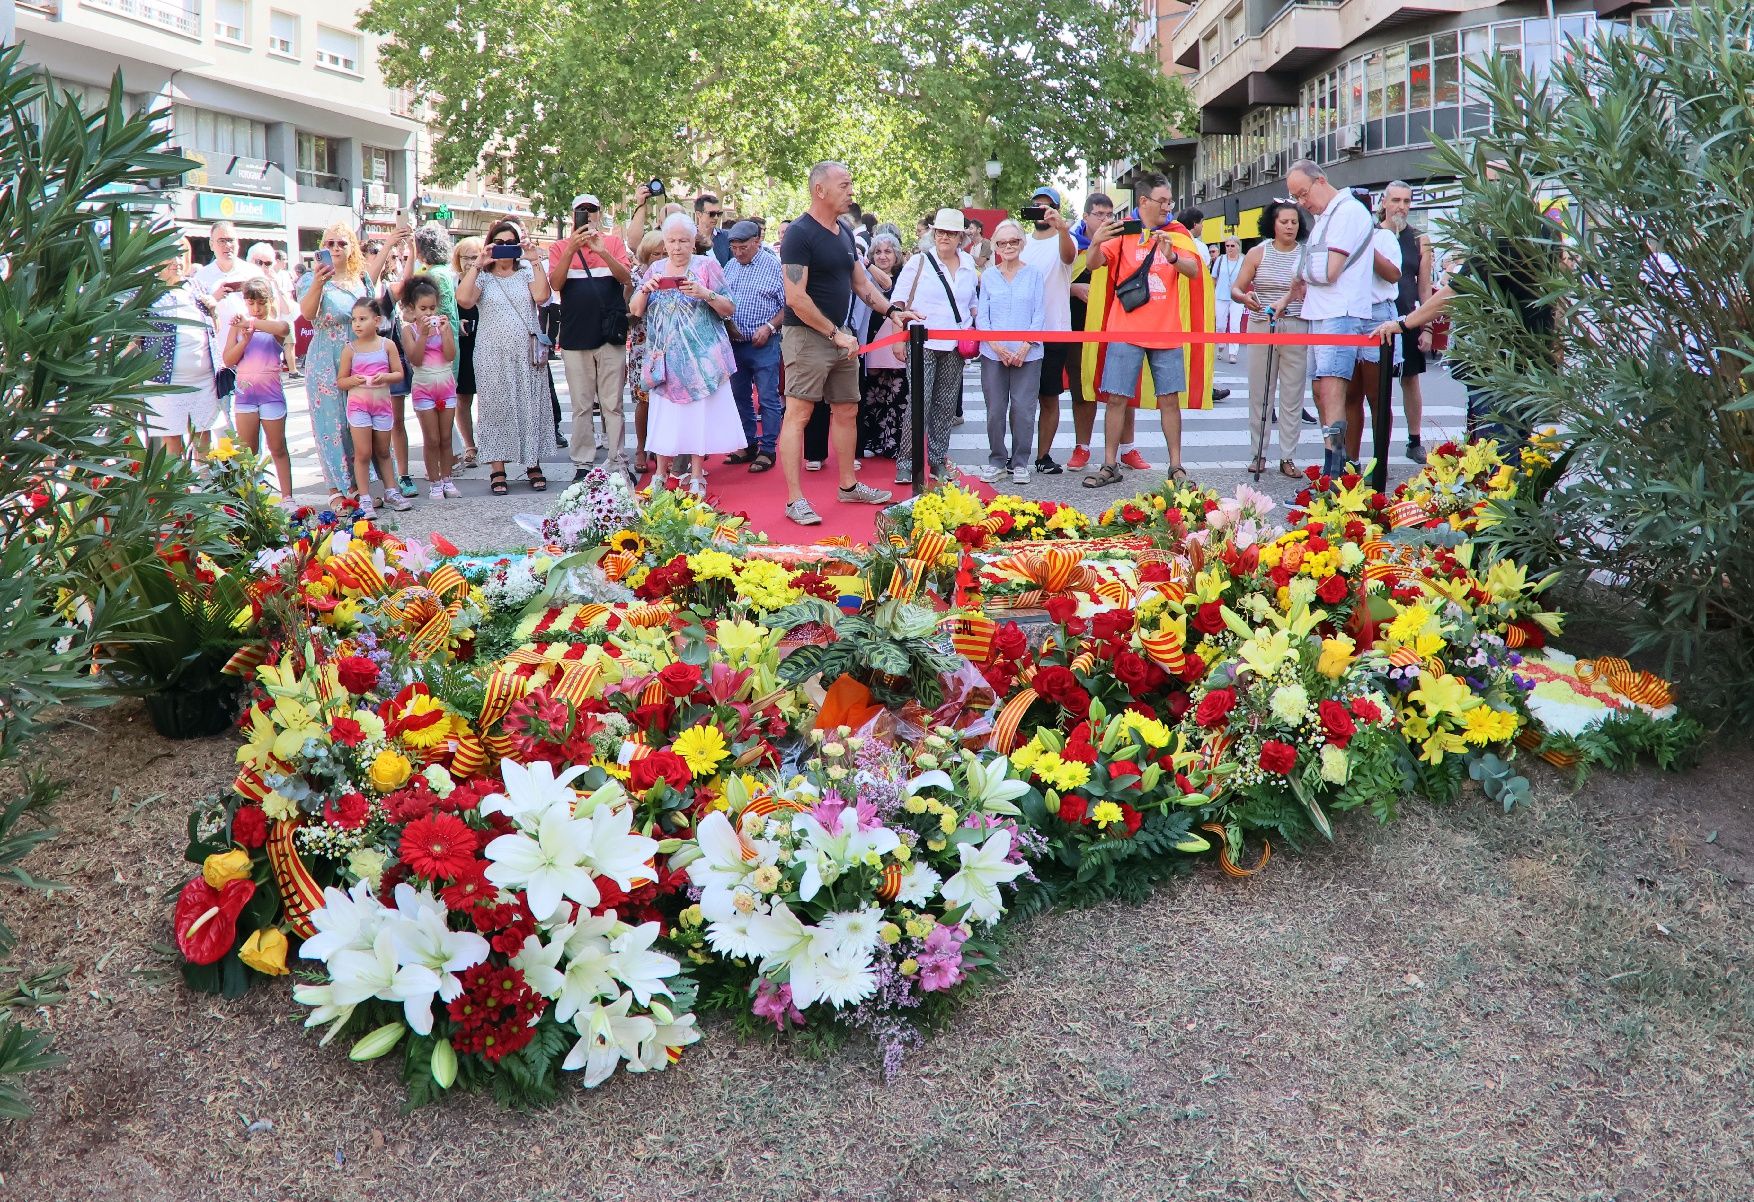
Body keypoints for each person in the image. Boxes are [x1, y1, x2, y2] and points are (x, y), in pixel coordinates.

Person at [776, 161, 920, 526]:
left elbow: (861, 284)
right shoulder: (799, 234)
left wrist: (893, 312)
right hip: (808, 336)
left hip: (839, 336)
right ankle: (795, 501)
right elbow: (795, 297)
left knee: (847, 410)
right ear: (819, 190)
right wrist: (833, 332)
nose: (851, 190)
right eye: (844, 184)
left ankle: (848, 485)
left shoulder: (842, 231)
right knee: (799, 416)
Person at [1080, 172, 1199, 489]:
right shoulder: (1123, 232)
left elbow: (1194, 271)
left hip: (1166, 331)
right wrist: (1095, 241)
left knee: (1169, 400)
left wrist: (1171, 254)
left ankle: (1176, 466)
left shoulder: (1176, 232)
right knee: (1116, 398)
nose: (1167, 207)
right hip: (1124, 329)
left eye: (1170, 201)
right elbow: (1093, 265)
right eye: (1163, 201)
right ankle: (1109, 464)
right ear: (1143, 201)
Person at [626, 212, 746, 497]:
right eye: (672, 240)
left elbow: (729, 307)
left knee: (697, 419)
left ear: (694, 242)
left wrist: (705, 293)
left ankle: (695, 475)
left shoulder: (707, 265)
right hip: (665, 359)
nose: (677, 246)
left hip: (701, 359)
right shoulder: (654, 268)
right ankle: (660, 474)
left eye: (683, 240)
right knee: (664, 417)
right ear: (664, 242)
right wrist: (645, 289)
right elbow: (635, 310)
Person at [1286, 159, 1380, 476]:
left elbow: (1328, 271)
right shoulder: (1327, 216)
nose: (1302, 203)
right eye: (1296, 197)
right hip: (1322, 312)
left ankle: (1336, 470)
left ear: (1321, 181)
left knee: (1332, 390)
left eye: (1303, 193)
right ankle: (1332, 465)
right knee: (1320, 390)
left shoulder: (1348, 212)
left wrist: (1302, 273)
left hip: (1340, 312)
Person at [455, 220, 557, 495]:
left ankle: (532, 463)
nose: (504, 248)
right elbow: (464, 300)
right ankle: (497, 468)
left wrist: (535, 261)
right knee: (494, 409)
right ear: (490, 244)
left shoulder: (525, 272)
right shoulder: (483, 276)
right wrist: (478, 263)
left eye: (509, 243)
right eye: (498, 243)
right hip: (491, 353)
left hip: (526, 352)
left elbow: (542, 295)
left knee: (529, 404)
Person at [548, 193, 635, 479]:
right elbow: (556, 284)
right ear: (573, 215)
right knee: (582, 405)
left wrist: (603, 252)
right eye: (581, 210)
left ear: (599, 213)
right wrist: (571, 250)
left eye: (592, 209)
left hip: (609, 334)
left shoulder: (611, 242)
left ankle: (618, 460)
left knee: (612, 404)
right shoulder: (560, 246)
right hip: (575, 335)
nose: (587, 214)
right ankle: (582, 465)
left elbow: (625, 278)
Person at [890, 207, 977, 485]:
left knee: (945, 405)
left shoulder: (968, 265)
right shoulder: (918, 262)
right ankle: (906, 462)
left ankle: (937, 460)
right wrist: (897, 336)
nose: (945, 237)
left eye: (951, 233)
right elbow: (899, 301)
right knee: (919, 403)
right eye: (940, 231)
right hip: (921, 342)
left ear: (960, 237)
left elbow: (972, 306)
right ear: (934, 233)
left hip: (954, 345)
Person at [1231, 199, 1310, 478]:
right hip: (1261, 324)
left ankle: (1287, 457)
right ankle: (1258, 454)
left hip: (1296, 325)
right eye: (1284, 222)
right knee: (1260, 392)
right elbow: (1236, 289)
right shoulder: (1257, 252)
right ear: (1272, 225)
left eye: (1294, 222)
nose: (1290, 226)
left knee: (1292, 394)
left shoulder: (1306, 254)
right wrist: (1245, 297)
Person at [298, 223, 374, 508]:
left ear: (352, 247)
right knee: (331, 423)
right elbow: (307, 314)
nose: (336, 249)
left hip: (358, 356)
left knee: (357, 420)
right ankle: (335, 487)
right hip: (326, 359)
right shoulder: (311, 279)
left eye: (342, 243)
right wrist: (318, 281)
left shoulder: (361, 279)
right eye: (330, 244)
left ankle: (358, 483)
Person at [976, 219, 1047, 485]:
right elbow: (983, 317)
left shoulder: (1034, 274)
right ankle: (997, 460)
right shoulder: (989, 276)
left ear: (1022, 243)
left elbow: (1039, 313)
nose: (1008, 246)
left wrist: (1025, 346)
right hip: (994, 353)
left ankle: (1020, 462)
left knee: (1023, 410)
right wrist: (997, 346)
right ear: (995, 246)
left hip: (1028, 354)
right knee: (995, 409)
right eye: (1002, 242)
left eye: (1013, 241)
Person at [138, 235, 218, 458]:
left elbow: (214, 331)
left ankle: (204, 489)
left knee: (204, 442)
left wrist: (214, 311)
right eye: (171, 255)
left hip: (203, 380)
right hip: (165, 383)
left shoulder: (198, 287)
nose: (177, 261)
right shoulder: (148, 293)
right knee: (172, 444)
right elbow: (133, 336)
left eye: (182, 254)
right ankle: (178, 490)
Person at [720, 219, 787, 472]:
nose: (738, 253)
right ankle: (748, 443)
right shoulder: (730, 266)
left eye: (743, 248)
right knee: (740, 397)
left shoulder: (773, 266)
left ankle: (768, 449)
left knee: (768, 398)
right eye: (734, 248)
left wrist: (770, 326)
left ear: (756, 242)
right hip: (735, 343)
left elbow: (788, 305)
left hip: (764, 342)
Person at [1019, 186, 1077, 476]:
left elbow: (1068, 258)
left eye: (1048, 206)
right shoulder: (1021, 242)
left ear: (1055, 208)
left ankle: (1043, 456)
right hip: (1022, 330)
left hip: (1054, 328)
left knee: (1049, 395)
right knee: (1019, 397)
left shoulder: (1065, 239)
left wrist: (1062, 228)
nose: (1042, 210)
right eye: (1037, 206)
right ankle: (1017, 456)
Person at [221, 278, 294, 502]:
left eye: (261, 303)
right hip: (245, 397)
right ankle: (249, 499)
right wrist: (244, 338)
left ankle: (288, 497)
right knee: (248, 452)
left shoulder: (270, 325)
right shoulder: (239, 326)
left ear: (269, 302)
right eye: (251, 304)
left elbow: (283, 328)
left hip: (270, 395)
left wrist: (250, 322)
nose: (256, 309)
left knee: (278, 447)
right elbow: (228, 359)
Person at [337, 297, 409, 519]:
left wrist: (385, 377)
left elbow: (399, 373)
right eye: (354, 320)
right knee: (363, 453)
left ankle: (391, 491)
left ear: (377, 321)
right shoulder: (350, 349)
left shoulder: (387, 345)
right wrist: (354, 380)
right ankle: (365, 498)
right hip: (359, 406)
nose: (357, 324)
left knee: (383, 451)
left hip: (382, 406)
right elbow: (341, 381)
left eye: (362, 319)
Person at [191, 220, 265, 421]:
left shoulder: (252, 273)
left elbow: (269, 311)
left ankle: (254, 454)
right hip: (217, 363)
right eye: (221, 241)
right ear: (211, 244)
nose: (227, 246)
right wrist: (213, 299)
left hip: (251, 357)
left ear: (238, 243)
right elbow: (194, 319)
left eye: (231, 240)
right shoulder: (201, 277)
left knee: (253, 419)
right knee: (223, 421)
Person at [1382, 181, 1433, 463]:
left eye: (1406, 201)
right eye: (1396, 200)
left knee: (1410, 379)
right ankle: (1381, 445)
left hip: (1409, 318)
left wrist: (1427, 326)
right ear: (1385, 202)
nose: (1401, 206)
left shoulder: (1419, 239)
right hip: (1378, 319)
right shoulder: (1373, 235)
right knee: (1378, 385)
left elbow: (1424, 287)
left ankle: (1414, 441)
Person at [1063, 192, 1113, 472]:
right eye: (1099, 215)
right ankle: (1082, 446)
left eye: (1109, 215)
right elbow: (1050, 281)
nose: (1106, 220)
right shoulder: (1070, 244)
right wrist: (1073, 288)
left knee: (1120, 389)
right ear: (1085, 217)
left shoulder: (1122, 242)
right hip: (1077, 327)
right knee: (1082, 388)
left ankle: (1126, 448)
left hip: (1115, 325)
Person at [400, 277, 459, 499]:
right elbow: (415, 359)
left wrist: (445, 333)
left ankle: (447, 479)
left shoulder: (444, 326)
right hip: (424, 387)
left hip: (446, 385)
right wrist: (423, 334)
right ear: (412, 309)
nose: (428, 313)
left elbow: (450, 355)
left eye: (432, 308)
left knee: (446, 438)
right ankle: (434, 482)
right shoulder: (409, 331)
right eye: (423, 308)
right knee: (431, 438)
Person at [854, 232, 908, 459]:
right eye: (877, 252)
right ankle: (872, 441)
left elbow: (889, 286)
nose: (883, 256)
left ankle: (894, 445)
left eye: (887, 251)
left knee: (896, 396)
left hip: (896, 343)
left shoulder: (905, 277)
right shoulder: (863, 278)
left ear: (896, 255)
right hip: (871, 344)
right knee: (872, 395)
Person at [625, 231, 665, 475]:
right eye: (655, 254)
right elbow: (628, 310)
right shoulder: (636, 275)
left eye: (664, 253)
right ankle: (640, 447)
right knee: (644, 400)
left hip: (669, 343)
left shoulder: (675, 270)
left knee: (669, 400)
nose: (660, 258)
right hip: (643, 343)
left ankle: (664, 450)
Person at [449, 236, 483, 472]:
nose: (471, 262)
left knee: (490, 396)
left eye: (475, 256)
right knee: (463, 397)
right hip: (463, 345)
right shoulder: (452, 283)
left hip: (487, 341)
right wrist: (455, 323)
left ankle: (493, 443)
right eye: (466, 257)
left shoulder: (488, 279)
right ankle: (470, 446)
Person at [1212, 239, 1246, 364]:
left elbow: (1247, 277)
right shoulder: (1220, 260)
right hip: (1221, 296)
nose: (1229, 248)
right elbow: (1213, 278)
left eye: (1232, 245)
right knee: (1220, 325)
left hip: (1237, 297)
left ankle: (1233, 353)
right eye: (1227, 246)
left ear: (1238, 246)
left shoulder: (1244, 260)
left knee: (1235, 325)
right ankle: (1221, 345)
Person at [694, 193, 730, 264]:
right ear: (699, 214)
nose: (716, 217)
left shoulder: (727, 237)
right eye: (712, 214)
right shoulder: (688, 237)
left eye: (719, 214)